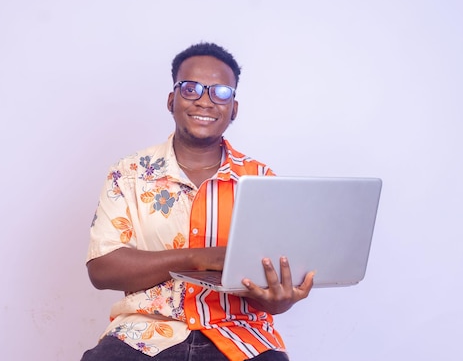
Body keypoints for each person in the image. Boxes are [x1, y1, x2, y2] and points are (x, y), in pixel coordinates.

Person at [82, 42, 315, 361]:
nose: (205, 101)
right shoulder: (129, 172)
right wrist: (198, 257)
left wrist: (281, 300)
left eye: (220, 92)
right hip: (144, 336)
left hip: (240, 335)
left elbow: (269, 292)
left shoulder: (260, 179)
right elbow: (103, 269)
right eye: (191, 88)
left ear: (233, 108)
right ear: (171, 100)